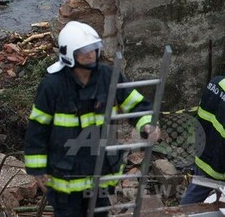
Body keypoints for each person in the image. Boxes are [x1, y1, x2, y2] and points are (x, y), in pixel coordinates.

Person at [24, 21, 160, 216]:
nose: (90, 54)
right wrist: (37, 170)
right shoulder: (52, 86)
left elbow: (136, 104)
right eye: (84, 50)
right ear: (69, 54)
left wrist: (147, 125)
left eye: (94, 48)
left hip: (101, 172)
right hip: (66, 178)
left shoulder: (108, 77)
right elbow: (37, 129)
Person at [179, 74, 225, 204]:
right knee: (197, 194)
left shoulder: (216, 83)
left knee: (195, 191)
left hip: (203, 150)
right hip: (218, 165)